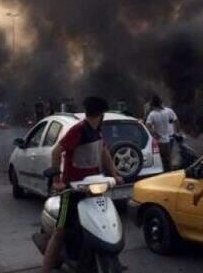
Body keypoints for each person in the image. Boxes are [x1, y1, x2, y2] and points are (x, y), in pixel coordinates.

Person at [42, 96, 124, 273]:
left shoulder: (97, 131)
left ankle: (108, 258)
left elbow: (104, 152)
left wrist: (115, 174)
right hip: (72, 189)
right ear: (102, 113)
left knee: (105, 223)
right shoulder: (78, 130)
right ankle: (45, 269)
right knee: (60, 231)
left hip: (94, 186)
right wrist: (57, 181)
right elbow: (57, 151)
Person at [146, 95, 177, 171]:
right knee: (168, 160)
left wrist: (155, 134)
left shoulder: (152, 114)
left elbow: (147, 126)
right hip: (167, 140)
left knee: (159, 161)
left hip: (158, 141)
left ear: (152, 104)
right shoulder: (166, 112)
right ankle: (170, 174)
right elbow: (173, 120)